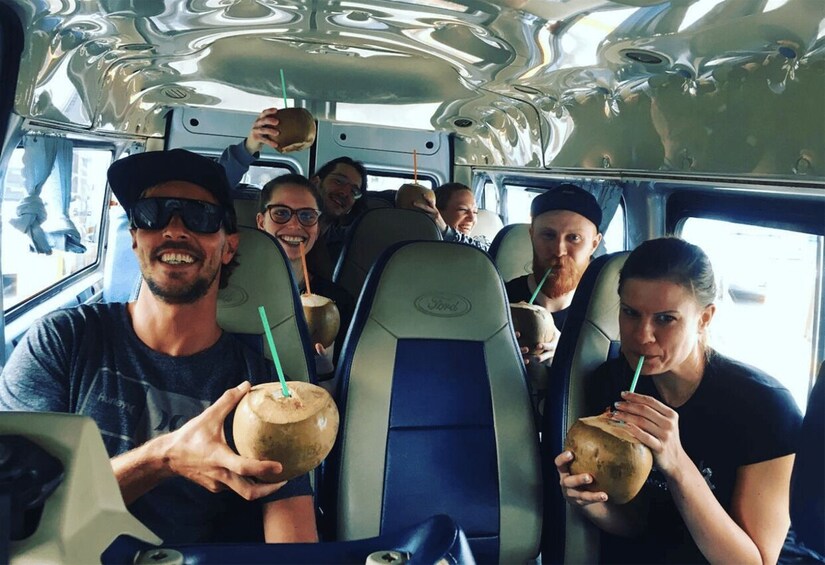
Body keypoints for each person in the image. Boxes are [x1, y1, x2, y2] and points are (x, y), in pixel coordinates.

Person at [0, 149, 318, 544]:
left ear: (228, 247)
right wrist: (162, 460)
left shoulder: (262, 389)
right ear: (135, 238)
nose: (174, 229)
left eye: (200, 215)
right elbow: (13, 510)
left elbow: (293, 542)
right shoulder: (62, 340)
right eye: (152, 213)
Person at [555, 237, 803, 564]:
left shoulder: (766, 408)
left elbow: (751, 562)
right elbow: (636, 523)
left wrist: (676, 463)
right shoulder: (611, 383)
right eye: (630, 313)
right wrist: (590, 502)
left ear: (704, 319)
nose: (642, 335)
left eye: (665, 319)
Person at [218, 108, 368, 277]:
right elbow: (214, 188)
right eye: (338, 181)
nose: (345, 192)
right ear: (316, 182)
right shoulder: (258, 217)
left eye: (354, 191)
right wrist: (248, 149)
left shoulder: (348, 244)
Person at [256, 173, 355, 380]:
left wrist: (327, 373)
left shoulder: (339, 302)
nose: (295, 225)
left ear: (317, 228)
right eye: (281, 213)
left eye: (307, 216)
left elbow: (348, 384)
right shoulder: (237, 295)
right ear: (261, 222)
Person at [427, 182, 491, 251]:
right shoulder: (426, 246)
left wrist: (447, 232)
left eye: (475, 212)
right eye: (463, 209)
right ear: (438, 212)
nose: (472, 218)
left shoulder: (481, 243)